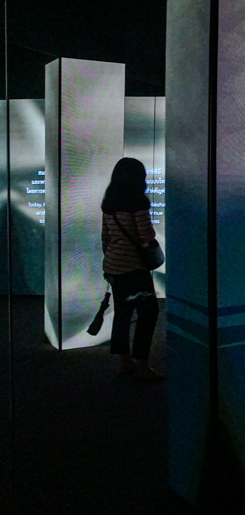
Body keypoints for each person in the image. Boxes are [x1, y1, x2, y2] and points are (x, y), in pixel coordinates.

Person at [101, 157, 163, 381]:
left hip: (114, 266)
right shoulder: (138, 202)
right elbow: (146, 235)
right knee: (148, 312)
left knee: (122, 313)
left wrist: (112, 257)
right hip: (134, 268)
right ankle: (142, 364)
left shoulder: (109, 201)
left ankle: (123, 361)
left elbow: (105, 236)